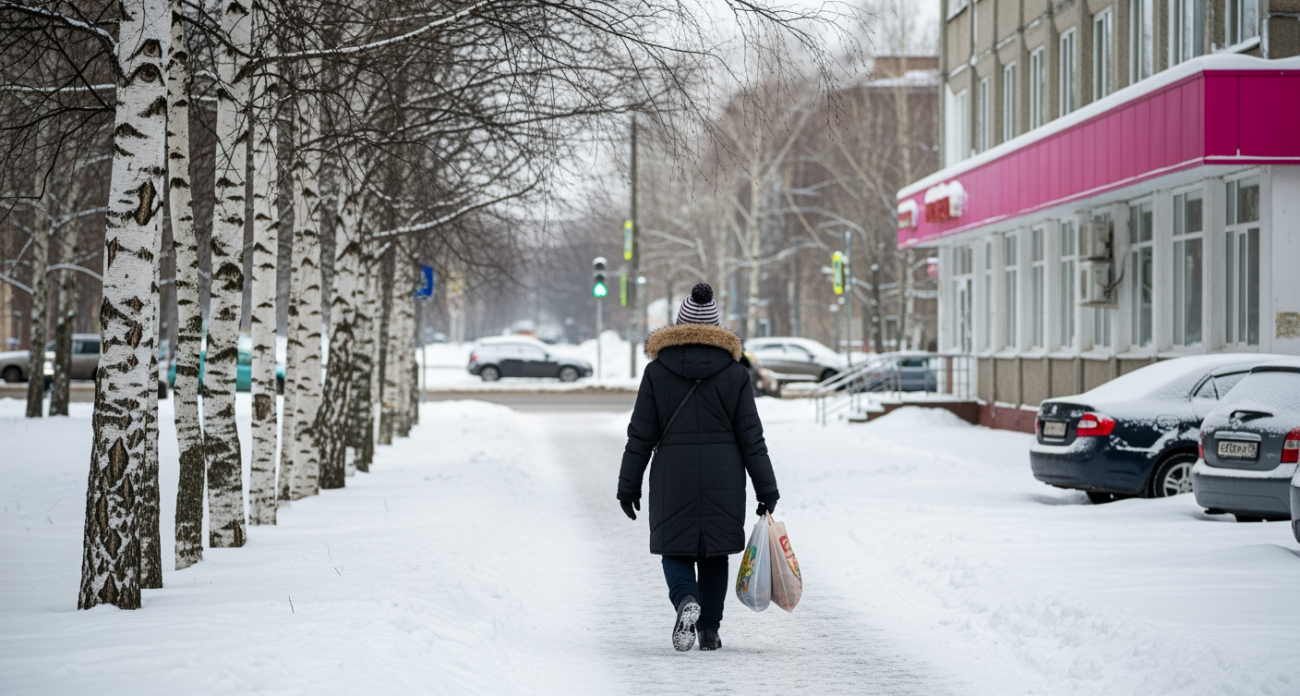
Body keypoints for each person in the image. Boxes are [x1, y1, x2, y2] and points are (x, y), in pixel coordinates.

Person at [617, 282, 780, 652]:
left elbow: (640, 435)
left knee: (674, 548)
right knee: (714, 553)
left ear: (679, 326)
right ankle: (708, 630)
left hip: (673, 474)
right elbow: (751, 436)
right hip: (725, 473)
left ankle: (685, 599)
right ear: (717, 328)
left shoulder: (657, 372)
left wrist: (628, 485)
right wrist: (766, 488)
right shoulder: (736, 373)